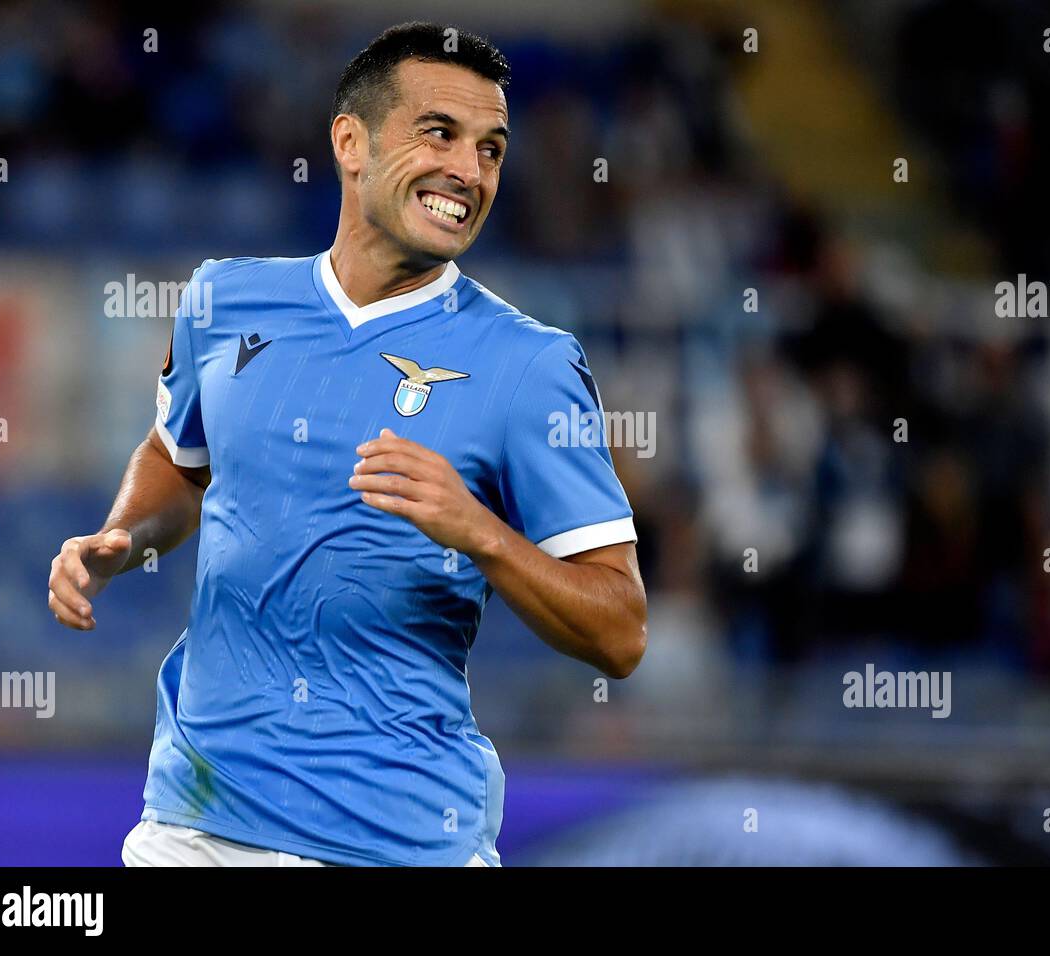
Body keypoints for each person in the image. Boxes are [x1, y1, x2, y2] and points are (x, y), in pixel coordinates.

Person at [45, 21, 646, 867]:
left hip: (403, 842)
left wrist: (478, 530)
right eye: (440, 134)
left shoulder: (532, 365)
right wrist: (122, 538)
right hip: (195, 827)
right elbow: (177, 461)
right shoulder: (226, 299)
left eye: (492, 150)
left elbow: (620, 632)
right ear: (350, 142)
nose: (469, 173)